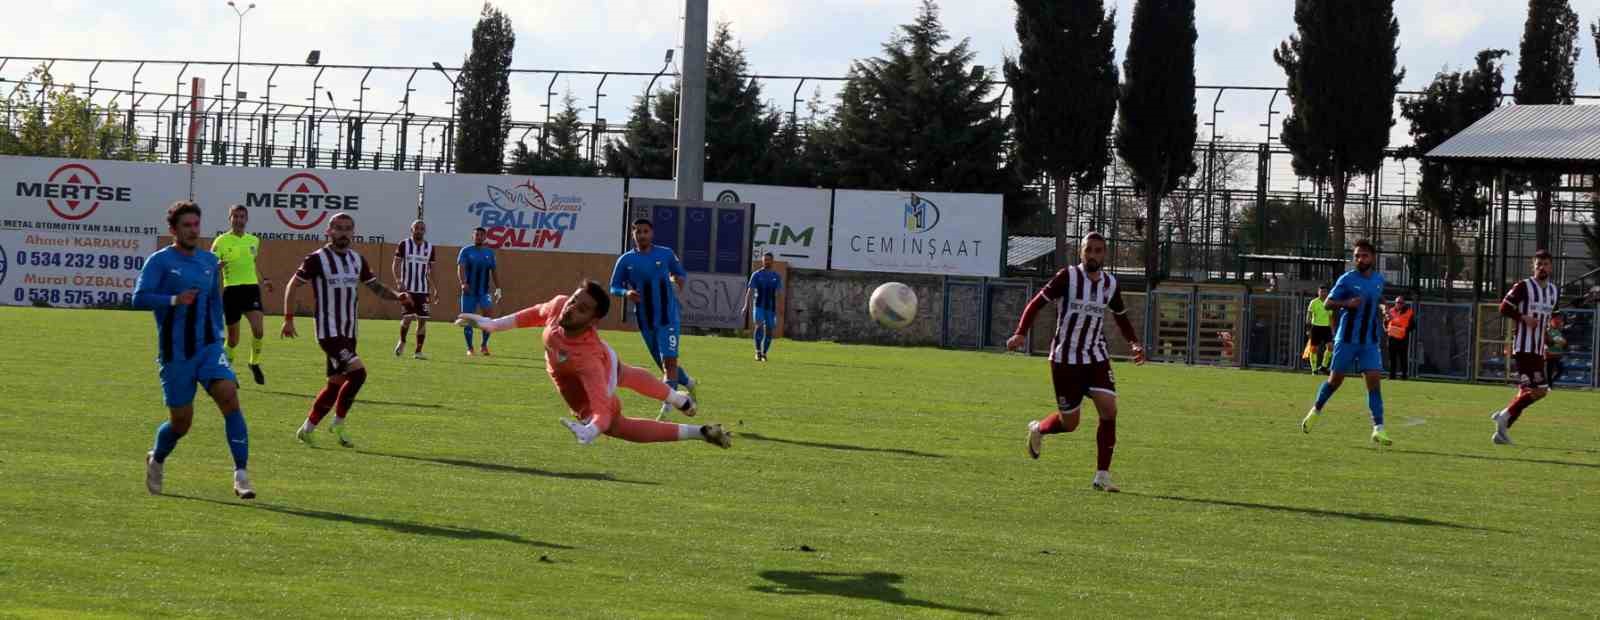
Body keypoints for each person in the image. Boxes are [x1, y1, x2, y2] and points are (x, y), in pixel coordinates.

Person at [455, 281, 732, 449]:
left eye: (582, 309)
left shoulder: (587, 361)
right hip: (602, 357)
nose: (571, 308)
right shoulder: (560, 305)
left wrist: (593, 428)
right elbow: (532, 315)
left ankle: (699, 433)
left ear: (592, 323)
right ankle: (678, 399)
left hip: (595, 367)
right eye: (575, 300)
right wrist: (492, 324)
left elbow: (600, 408)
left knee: (616, 425)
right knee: (625, 372)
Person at [1007, 232, 1147, 493]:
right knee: (1070, 423)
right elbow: (1036, 304)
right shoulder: (1067, 277)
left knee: (1109, 409)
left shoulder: (1110, 284)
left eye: (1098, 250)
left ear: (1105, 254)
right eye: (1088, 250)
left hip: (1095, 356)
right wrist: (1020, 332)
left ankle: (1102, 475)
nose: (1093, 255)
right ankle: (1039, 429)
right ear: (1081, 252)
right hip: (1065, 359)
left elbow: (1121, 317)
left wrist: (1134, 343)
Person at [133, 201, 254, 499]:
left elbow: (215, 300)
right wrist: (174, 300)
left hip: (208, 347)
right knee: (181, 422)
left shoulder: (210, 262)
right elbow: (139, 298)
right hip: (176, 354)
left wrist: (220, 336)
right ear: (173, 230)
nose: (192, 230)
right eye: (186, 225)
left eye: (196, 225)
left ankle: (241, 475)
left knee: (229, 395)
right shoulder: (159, 261)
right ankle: (157, 458)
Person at [282, 214, 409, 449]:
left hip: (349, 331)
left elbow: (375, 286)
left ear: (353, 232)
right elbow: (292, 285)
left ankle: (306, 429)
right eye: (338, 228)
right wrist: (288, 319)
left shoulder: (357, 260)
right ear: (328, 231)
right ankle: (338, 423)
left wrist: (397, 296)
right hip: (328, 332)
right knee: (359, 374)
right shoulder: (317, 259)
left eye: (347, 229)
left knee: (336, 383)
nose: (343, 233)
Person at [1300, 239, 1393, 446]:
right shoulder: (1347, 279)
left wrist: (1385, 308)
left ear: (1373, 257)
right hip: (1347, 339)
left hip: (1369, 341)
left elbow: (1379, 297)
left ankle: (1378, 428)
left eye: (1364, 255)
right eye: (1357, 256)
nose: (1360, 259)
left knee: (1374, 384)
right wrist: (1346, 303)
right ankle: (1315, 410)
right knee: (1335, 382)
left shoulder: (1378, 279)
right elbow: (1328, 303)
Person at [610, 218, 696, 417]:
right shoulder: (625, 260)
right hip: (645, 320)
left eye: (645, 231)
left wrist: (677, 281)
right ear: (633, 235)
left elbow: (680, 273)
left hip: (668, 317)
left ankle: (666, 409)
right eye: (638, 232)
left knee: (669, 363)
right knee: (664, 363)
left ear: (652, 233)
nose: (642, 235)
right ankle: (689, 382)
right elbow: (613, 286)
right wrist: (626, 293)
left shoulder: (665, 254)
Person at [1490, 250, 1561, 445]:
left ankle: (1502, 430)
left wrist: (1551, 334)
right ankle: (1504, 416)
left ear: (1551, 266)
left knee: (1528, 391)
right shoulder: (1523, 286)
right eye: (1538, 264)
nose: (1542, 267)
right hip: (1524, 347)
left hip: (1538, 349)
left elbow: (1552, 316)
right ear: (1533, 265)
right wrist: (1523, 318)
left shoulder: (1553, 291)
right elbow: (1504, 307)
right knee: (1540, 390)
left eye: (1545, 264)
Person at [211, 205, 272, 385]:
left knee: (259, 330)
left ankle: (254, 363)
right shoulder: (220, 241)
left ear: (247, 219)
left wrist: (265, 279)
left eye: (242, 216)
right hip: (232, 292)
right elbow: (210, 266)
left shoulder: (253, 240)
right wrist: (217, 266)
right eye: (235, 216)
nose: (239, 220)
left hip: (251, 289)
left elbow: (253, 263)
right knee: (233, 340)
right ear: (230, 218)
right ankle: (226, 371)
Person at [393, 220, 437, 360]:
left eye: (421, 228)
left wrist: (435, 288)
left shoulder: (430, 247)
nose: (419, 230)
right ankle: (402, 341)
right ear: (411, 230)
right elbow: (396, 264)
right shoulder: (404, 245)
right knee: (407, 318)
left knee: (422, 320)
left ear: (425, 231)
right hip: (408, 289)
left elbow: (432, 271)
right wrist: (399, 281)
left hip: (423, 290)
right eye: (416, 228)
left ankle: (418, 352)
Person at [457, 226, 502, 356]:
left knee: (488, 318)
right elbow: (460, 268)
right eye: (477, 235)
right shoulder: (466, 251)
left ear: (485, 237)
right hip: (469, 292)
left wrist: (498, 289)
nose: (479, 237)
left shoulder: (489, 253)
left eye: (481, 235)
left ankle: (484, 345)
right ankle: (470, 348)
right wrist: (463, 283)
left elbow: (494, 271)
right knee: (468, 319)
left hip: (484, 292)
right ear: (473, 237)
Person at [741, 252, 783, 361]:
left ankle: (764, 353)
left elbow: (779, 294)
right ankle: (758, 352)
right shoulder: (757, 274)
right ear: (762, 261)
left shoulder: (776, 276)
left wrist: (780, 309)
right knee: (758, 325)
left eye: (768, 259)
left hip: (771, 308)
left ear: (772, 261)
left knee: (769, 330)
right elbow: (750, 291)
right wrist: (746, 305)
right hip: (759, 305)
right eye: (764, 259)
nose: (766, 261)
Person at [1385, 295, 1415, 380]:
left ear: (1404, 303)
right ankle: (1392, 376)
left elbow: (1413, 325)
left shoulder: (1409, 312)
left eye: (1401, 303)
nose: (1399, 304)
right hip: (1392, 338)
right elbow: (1386, 322)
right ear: (1395, 303)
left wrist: (1404, 330)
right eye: (1398, 302)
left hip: (1402, 339)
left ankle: (1404, 376)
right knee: (1392, 358)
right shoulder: (1390, 311)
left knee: (1403, 358)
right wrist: (1387, 328)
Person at [1305, 285, 1333, 374]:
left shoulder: (1329, 303)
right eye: (1321, 292)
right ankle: (1314, 370)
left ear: (1327, 293)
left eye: (1325, 292)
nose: (1323, 293)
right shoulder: (1313, 302)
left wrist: (1332, 329)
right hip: (1316, 327)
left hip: (1326, 328)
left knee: (1330, 347)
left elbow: (1331, 317)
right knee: (1314, 349)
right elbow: (1309, 316)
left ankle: (1324, 366)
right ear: (1318, 292)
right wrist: (1308, 329)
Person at [1545, 313, 1568, 388]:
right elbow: (1546, 342)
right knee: (1549, 371)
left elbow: (1565, 344)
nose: (1558, 321)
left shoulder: (1560, 331)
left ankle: (1549, 383)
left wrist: (1564, 343)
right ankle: (1549, 386)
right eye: (1556, 320)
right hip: (1549, 354)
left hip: (1557, 354)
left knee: (1560, 369)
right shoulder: (1547, 331)